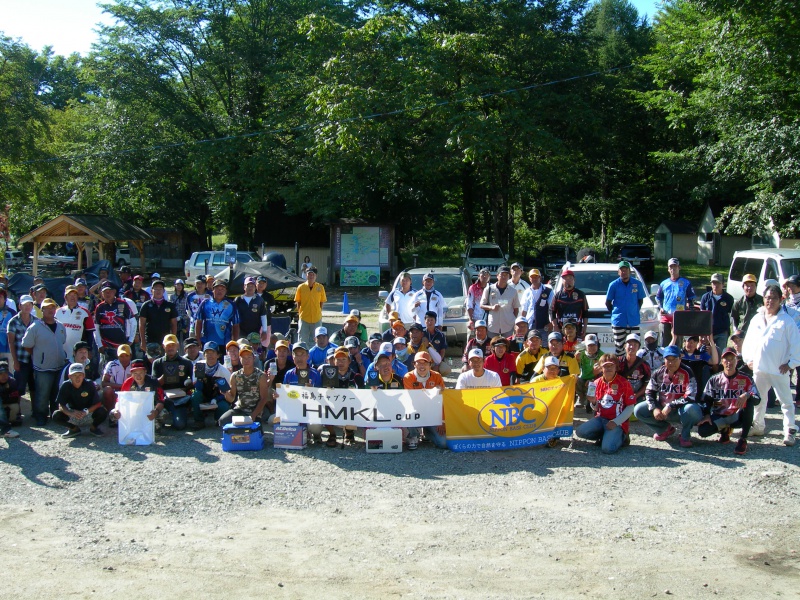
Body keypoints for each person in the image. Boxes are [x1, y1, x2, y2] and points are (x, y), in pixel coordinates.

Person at [742, 284, 800, 445]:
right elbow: (749, 341)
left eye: (774, 298)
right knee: (759, 400)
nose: (770, 301)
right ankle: (758, 426)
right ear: (764, 299)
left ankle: (789, 431)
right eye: (767, 297)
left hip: (779, 369)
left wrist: (791, 363)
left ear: (780, 299)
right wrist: (748, 359)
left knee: (786, 402)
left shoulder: (786, 321)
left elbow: (796, 343)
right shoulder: (756, 318)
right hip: (760, 369)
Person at [633, 345, 702, 447]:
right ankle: (664, 429)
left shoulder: (688, 372)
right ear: (664, 359)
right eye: (668, 359)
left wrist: (671, 405)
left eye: (674, 359)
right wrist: (654, 408)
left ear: (680, 358)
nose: (671, 363)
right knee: (638, 410)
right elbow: (649, 391)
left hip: (681, 410)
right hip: (662, 408)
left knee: (692, 409)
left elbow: (691, 396)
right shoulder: (658, 373)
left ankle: (685, 435)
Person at [697, 347, 760, 455]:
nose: (729, 362)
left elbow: (757, 399)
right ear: (722, 361)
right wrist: (707, 414)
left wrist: (747, 394)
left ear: (737, 361)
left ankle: (743, 439)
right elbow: (706, 399)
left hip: (737, 414)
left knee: (748, 403)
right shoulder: (714, 379)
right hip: (719, 412)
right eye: (726, 359)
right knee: (702, 431)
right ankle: (725, 430)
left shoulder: (746, 378)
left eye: (732, 359)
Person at [576, 353, 635, 453]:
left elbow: (630, 406)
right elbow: (596, 408)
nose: (608, 368)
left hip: (617, 422)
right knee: (580, 432)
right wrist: (593, 402)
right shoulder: (595, 383)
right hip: (601, 419)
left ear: (616, 367)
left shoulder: (624, 383)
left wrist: (616, 422)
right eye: (605, 366)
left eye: (611, 365)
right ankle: (607, 436)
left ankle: (623, 437)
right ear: (600, 368)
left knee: (608, 449)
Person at [21, 298, 68, 425]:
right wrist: (38, 355)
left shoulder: (60, 326)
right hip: (43, 368)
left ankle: (55, 414)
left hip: (58, 366)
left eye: (53, 307)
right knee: (42, 394)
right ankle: (40, 415)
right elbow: (26, 345)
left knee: (56, 393)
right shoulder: (35, 326)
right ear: (42, 310)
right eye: (47, 308)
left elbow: (62, 342)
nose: (50, 310)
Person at [284, 342, 336, 446]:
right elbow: (285, 394)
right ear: (292, 357)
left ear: (308, 356)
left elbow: (322, 398)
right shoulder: (289, 374)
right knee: (273, 420)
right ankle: (302, 433)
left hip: (311, 410)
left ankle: (316, 435)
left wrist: (312, 391)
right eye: (296, 354)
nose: (299, 357)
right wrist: (279, 395)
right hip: (294, 410)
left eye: (302, 354)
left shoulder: (315, 374)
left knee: (315, 426)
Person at [219, 345, 272, 427]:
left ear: (254, 358)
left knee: (254, 428)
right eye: (243, 357)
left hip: (256, 411)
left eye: (249, 357)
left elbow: (264, 398)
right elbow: (231, 399)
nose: (246, 360)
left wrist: (253, 415)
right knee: (223, 421)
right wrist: (226, 394)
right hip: (240, 409)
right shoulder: (235, 376)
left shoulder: (261, 376)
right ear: (240, 359)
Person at [403, 351, 447, 450]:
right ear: (414, 364)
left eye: (425, 363)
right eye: (419, 363)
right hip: (416, 413)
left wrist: (442, 420)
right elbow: (411, 400)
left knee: (443, 443)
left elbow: (443, 399)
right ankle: (413, 435)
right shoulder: (408, 377)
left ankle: (427, 433)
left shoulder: (437, 376)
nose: (422, 366)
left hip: (432, 415)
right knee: (408, 410)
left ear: (430, 365)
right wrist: (431, 393)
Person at [53, 363, 107, 438]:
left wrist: (86, 412)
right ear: (69, 376)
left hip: (89, 414)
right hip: (73, 414)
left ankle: (93, 427)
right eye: (74, 375)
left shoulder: (90, 384)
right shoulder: (65, 385)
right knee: (56, 415)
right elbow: (61, 405)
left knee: (103, 411)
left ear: (84, 376)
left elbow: (98, 403)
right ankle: (73, 429)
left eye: (80, 375)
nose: (77, 378)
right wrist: (70, 413)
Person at [152, 334, 194, 430]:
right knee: (156, 426)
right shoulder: (157, 363)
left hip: (180, 399)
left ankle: (180, 414)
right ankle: (162, 416)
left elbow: (192, 383)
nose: (170, 348)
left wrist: (187, 384)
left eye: (173, 345)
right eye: (168, 345)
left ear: (178, 346)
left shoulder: (186, 363)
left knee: (180, 425)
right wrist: (165, 375)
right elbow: (153, 385)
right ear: (163, 346)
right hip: (163, 399)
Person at [112, 359, 166, 432]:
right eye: (135, 373)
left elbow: (161, 399)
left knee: (164, 413)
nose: (138, 376)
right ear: (131, 373)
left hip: (149, 409)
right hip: (133, 410)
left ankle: (156, 425)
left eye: (140, 373)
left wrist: (156, 411)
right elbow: (120, 399)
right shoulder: (128, 383)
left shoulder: (153, 382)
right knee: (112, 413)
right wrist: (117, 409)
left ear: (145, 372)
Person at [606, 260, 646, 356]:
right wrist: (616, 314)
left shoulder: (637, 284)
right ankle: (620, 368)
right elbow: (608, 302)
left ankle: (635, 369)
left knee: (635, 347)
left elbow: (640, 300)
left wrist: (634, 310)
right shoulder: (613, 285)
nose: (624, 272)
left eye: (626, 270)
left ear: (629, 271)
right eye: (622, 270)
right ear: (619, 272)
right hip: (619, 321)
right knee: (620, 348)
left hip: (633, 320)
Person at [189, 342, 233, 429]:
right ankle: (199, 421)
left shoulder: (224, 371)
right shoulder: (199, 366)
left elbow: (228, 392)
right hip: (203, 394)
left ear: (218, 355)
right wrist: (198, 377)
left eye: (213, 352)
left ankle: (219, 419)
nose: (210, 355)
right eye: (207, 353)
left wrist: (216, 399)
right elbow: (197, 388)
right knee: (195, 395)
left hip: (218, 396)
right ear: (204, 355)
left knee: (224, 406)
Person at [655, 258, 696, 346]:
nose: (673, 269)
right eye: (671, 267)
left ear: (679, 267)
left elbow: (691, 298)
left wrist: (690, 310)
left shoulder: (686, 283)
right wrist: (661, 308)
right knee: (664, 343)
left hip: (679, 316)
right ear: (668, 269)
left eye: (675, 266)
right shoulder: (663, 283)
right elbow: (658, 298)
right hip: (666, 316)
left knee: (677, 343)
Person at [93, 283, 137, 362]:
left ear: (114, 292)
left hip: (122, 345)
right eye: (105, 292)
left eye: (109, 291)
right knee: (106, 370)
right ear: (102, 294)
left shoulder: (123, 304)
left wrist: (131, 340)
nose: (107, 294)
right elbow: (95, 327)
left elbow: (133, 322)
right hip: (106, 346)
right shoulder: (99, 307)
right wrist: (99, 344)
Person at [7, 294, 37, 400]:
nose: (27, 306)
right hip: (20, 360)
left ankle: (36, 412)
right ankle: (17, 411)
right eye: (25, 304)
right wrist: (15, 361)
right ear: (19, 306)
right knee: (18, 388)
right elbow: (11, 342)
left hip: (35, 360)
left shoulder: (37, 321)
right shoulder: (13, 322)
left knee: (35, 387)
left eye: (30, 304)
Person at [138, 278, 178, 356]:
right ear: (151, 291)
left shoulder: (170, 305)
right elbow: (141, 324)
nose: (158, 291)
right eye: (156, 289)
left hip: (166, 341)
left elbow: (174, 324)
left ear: (163, 291)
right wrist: (142, 341)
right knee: (151, 364)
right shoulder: (146, 305)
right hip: (150, 340)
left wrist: (174, 340)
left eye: (160, 289)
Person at [195, 280, 240, 348]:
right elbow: (198, 321)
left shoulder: (231, 305)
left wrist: (234, 342)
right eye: (217, 289)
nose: (220, 291)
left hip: (225, 343)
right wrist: (198, 338)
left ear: (226, 291)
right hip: (207, 342)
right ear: (213, 290)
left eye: (222, 289)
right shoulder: (205, 303)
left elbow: (236, 325)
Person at [55, 285, 95, 361]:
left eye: (75, 295)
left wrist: (89, 350)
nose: (72, 297)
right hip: (60, 352)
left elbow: (90, 333)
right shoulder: (58, 312)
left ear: (78, 297)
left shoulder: (85, 312)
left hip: (78, 353)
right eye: (70, 295)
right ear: (65, 297)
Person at [480, 266, 520, 337]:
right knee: (492, 346)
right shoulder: (489, 289)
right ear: (497, 276)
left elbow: (516, 308)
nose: (504, 277)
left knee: (507, 346)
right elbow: (482, 305)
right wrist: (492, 307)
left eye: (506, 275)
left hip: (508, 326)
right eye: (502, 275)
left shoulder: (513, 291)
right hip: (493, 325)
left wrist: (513, 320)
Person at [700, 273, 735, 354]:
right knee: (706, 356)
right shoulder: (705, 297)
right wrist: (702, 333)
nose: (715, 285)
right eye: (713, 283)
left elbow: (732, 316)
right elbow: (701, 316)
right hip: (707, 332)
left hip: (722, 332)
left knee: (720, 354)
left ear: (723, 284)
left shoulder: (729, 298)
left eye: (718, 283)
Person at [550, 268, 589, 337]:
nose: (568, 281)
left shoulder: (581, 294)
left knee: (577, 348)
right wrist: (555, 326)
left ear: (574, 280)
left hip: (577, 329)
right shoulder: (557, 295)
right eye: (565, 279)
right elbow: (552, 311)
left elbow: (585, 312)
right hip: (562, 330)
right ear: (562, 281)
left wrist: (585, 327)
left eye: (570, 278)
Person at [293, 266, 326, 346]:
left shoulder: (320, 287)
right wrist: (300, 313)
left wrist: (319, 311)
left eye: (313, 275)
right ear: (306, 275)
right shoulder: (301, 287)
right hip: (304, 317)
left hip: (316, 317)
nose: (311, 276)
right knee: (302, 340)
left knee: (319, 339)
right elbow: (298, 301)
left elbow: (322, 301)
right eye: (309, 274)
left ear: (316, 276)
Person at [234, 276, 270, 347]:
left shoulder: (259, 300)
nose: (250, 288)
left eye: (252, 286)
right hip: (241, 331)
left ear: (255, 287)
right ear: (244, 287)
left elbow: (263, 316)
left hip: (255, 331)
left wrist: (264, 331)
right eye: (248, 285)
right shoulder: (238, 300)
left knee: (254, 351)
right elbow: (233, 315)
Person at [617, 334, 651, 404]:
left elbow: (647, 384)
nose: (632, 347)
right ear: (625, 346)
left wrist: (636, 395)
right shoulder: (618, 362)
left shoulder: (644, 365)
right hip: (619, 394)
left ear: (638, 347)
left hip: (638, 395)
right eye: (629, 344)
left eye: (635, 345)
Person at [520, 268, 553, 334]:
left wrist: (551, 323)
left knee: (544, 344)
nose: (534, 279)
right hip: (530, 324)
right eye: (532, 277)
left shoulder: (548, 291)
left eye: (536, 277)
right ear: (529, 279)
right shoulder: (527, 292)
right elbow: (524, 310)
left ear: (540, 278)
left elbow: (552, 308)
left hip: (544, 325)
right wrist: (522, 324)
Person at [575, 333, 602, 411]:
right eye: (589, 346)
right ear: (585, 346)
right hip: (582, 377)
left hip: (595, 379)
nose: (592, 348)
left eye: (594, 345)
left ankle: (589, 402)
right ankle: (580, 398)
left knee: (592, 385)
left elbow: (602, 373)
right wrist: (576, 359)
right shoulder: (581, 354)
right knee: (576, 379)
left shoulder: (602, 355)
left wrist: (593, 380)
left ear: (598, 345)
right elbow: (575, 368)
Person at [466, 269, 490, 336]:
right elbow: (469, 304)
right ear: (478, 276)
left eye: (487, 274)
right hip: (476, 318)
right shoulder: (473, 288)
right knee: (473, 338)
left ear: (489, 277)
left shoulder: (492, 288)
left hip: (489, 318)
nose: (485, 276)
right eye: (483, 274)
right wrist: (470, 320)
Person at [0, 361, 22, 435]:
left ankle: (12, 420)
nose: (4, 376)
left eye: (5, 374)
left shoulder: (12, 381)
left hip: (8, 403)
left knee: (15, 406)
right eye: (1, 374)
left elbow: (15, 398)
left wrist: (4, 397)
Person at [169, 279, 189, 347]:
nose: (179, 286)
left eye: (180, 285)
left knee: (185, 337)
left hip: (184, 318)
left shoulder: (186, 295)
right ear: (175, 286)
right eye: (177, 285)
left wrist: (186, 316)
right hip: (175, 318)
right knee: (175, 335)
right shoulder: (172, 296)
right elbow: (171, 307)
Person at [0, 287, 16, 364]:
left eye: (0, 297)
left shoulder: (12, 313)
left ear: (5, 299)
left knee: (7, 373)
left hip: (8, 350)